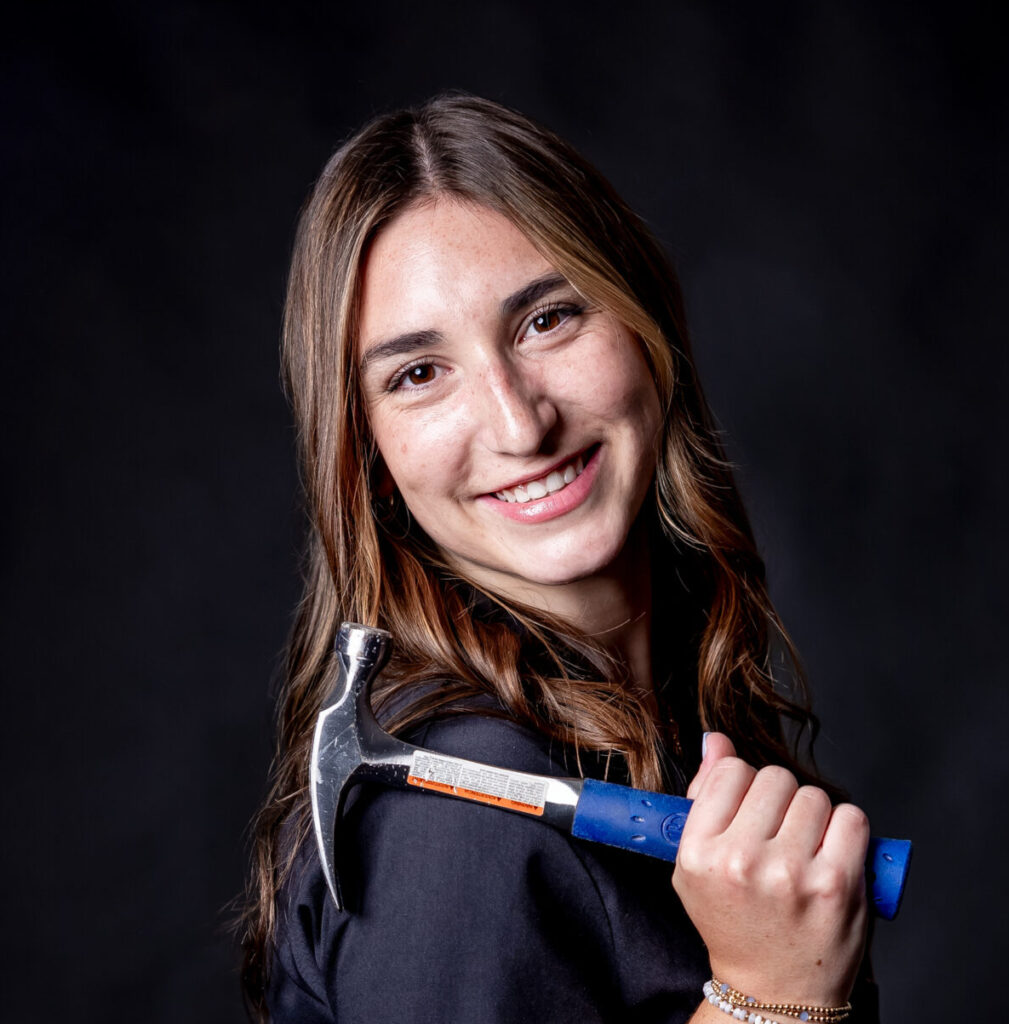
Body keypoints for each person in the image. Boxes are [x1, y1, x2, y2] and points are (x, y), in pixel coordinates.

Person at [241, 93, 877, 1023]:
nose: (518, 421)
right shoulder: (454, 823)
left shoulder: (651, 733)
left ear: (644, 327)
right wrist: (768, 998)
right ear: (369, 457)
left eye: (547, 318)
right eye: (419, 374)